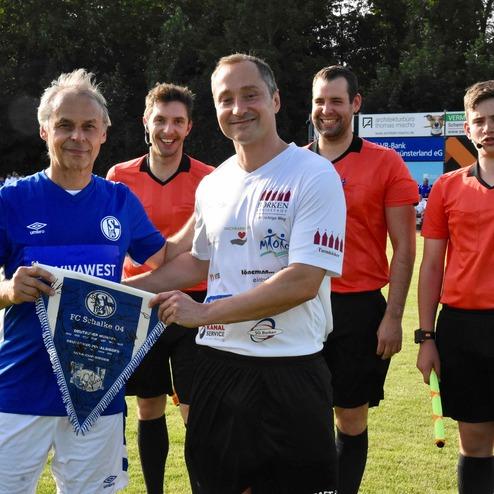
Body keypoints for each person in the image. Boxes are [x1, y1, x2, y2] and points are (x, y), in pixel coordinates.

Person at [126, 53, 346, 493]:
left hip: (290, 365)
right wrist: (121, 290)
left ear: (275, 100)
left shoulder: (315, 174)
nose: (238, 108)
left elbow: (303, 281)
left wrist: (203, 314)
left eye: (250, 95)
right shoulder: (214, 183)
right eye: (225, 99)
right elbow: (198, 261)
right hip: (218, 366)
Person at [0, 69, 172, 494]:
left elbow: (164, 259)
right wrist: (7, 290)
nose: (77, 136)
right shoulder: (12, 200)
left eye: (88, 127)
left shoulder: (120, 201)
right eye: (65, 125)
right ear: (45, 130)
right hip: (21, 388)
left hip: (99, 393)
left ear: (103, 135)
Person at [309, 65, 418, 494]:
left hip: (358, 309)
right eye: (320, 101)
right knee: (301, 414)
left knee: (350, 419)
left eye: (336, 100)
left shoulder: (386, 162)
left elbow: (404, 248)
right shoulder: (294, 162)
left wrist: (393, 317)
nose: (327, 109)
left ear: (355, 104)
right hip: (299, 302)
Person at [107, 82, 213, 494]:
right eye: (160, 120)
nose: (168, 130)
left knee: (195, 411)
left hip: (194, 302)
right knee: (148, 407)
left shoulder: (210, 178)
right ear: (145, 123)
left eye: (177, 121)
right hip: (139, 302)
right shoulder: (119, 177)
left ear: (189, 127)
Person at [416, 80, 494, 494]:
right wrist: (426, 337)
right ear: (467, 128)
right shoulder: (448, 187)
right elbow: (431, 267)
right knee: (475, 445)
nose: (488, 128)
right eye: (479, 121)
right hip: (463, 330)